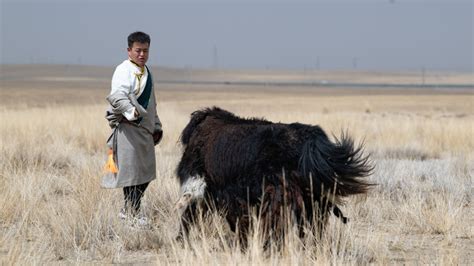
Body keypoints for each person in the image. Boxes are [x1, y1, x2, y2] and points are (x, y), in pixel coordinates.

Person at [102, 31, 162, 226]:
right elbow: (117, 96)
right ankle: (131, 213)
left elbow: (152, 103)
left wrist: (157, 125)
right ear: (129, 51)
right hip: (128, 130)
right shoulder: (123, 70)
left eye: (145, 50)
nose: (142, 54)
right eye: (138, 50)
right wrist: (130, 112)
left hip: (145, 132)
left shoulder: (148, 72)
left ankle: (130, 210)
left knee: (145, 174)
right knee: (131, 175)